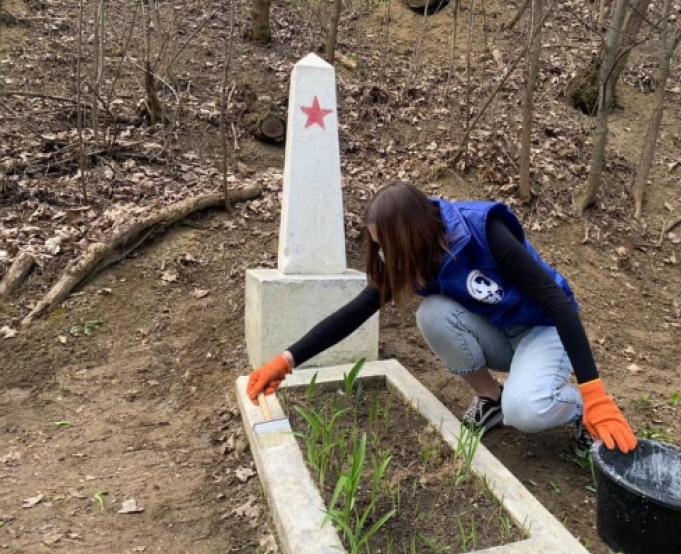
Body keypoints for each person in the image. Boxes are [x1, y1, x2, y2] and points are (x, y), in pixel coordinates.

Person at [247, 181, 637, 454]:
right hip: (501, 331)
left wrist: (593, 391)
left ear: (414, 235)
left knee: (528, 410)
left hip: (543, 328)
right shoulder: (411, 259)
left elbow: (557, 300)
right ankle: (491, 399)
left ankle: (583, 411)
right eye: (379, 247)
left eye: (390, 246)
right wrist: (287, 359)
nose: (386, 256)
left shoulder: (484, 229)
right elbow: (355, 312)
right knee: (432, 313)